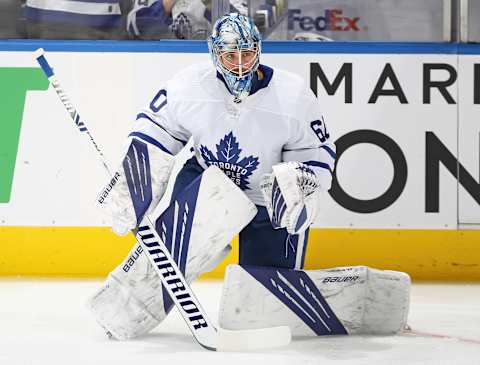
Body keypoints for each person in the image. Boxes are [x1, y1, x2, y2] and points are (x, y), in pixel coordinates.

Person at [88, 12, 336, 340]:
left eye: (246, 54)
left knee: (259, 313)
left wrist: (300, 189)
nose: (239, 64)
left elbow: (315, 155)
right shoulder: (188, 85)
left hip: (266, 198)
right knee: (167, 257)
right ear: (213, 52)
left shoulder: (293, 96)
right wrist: (136, 186)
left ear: (258, 50)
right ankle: (123, 310)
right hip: (206, 182)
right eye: (230, 55)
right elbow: (155, 132)